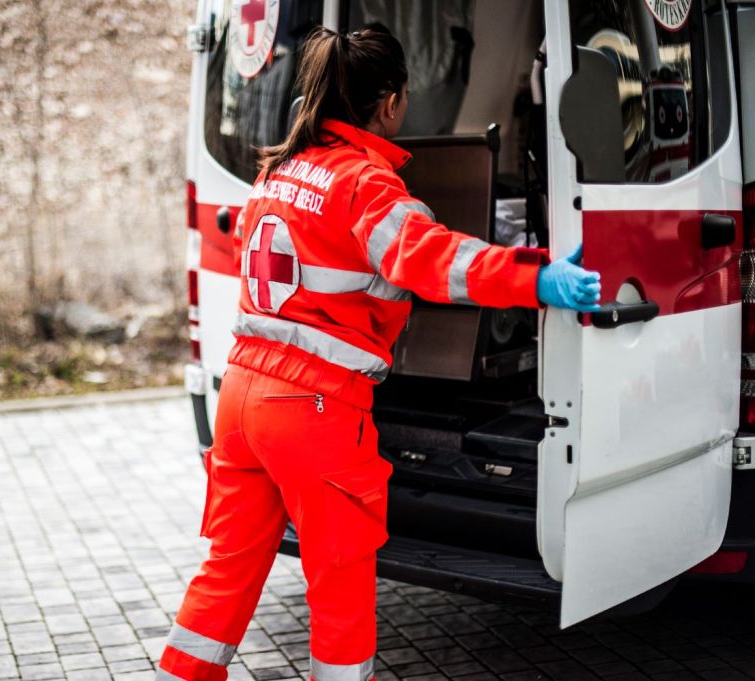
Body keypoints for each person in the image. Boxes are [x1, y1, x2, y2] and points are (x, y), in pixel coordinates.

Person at [156, 26, 601, 681]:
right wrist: (537, 277)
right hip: (311, 409)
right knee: (339, 583)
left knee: (228, 567)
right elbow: (438, 261)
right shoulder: (365, 185)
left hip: (243, 396)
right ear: (391, 103)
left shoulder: (277, 171)